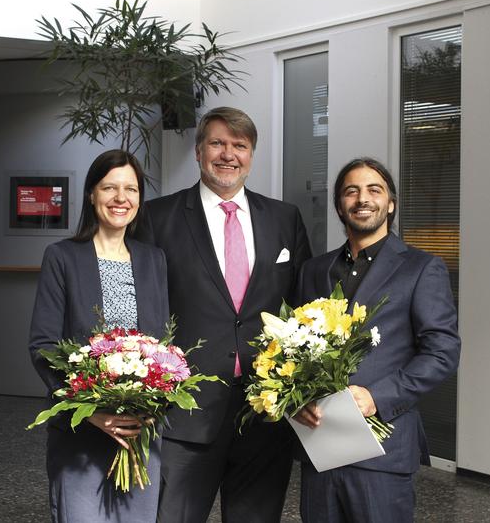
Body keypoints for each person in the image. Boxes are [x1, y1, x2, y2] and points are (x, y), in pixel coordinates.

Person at [135, 107, 312, 523]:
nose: (227, 154)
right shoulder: (157, 218)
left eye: (240, 145)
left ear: (251, 155)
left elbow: (301, 308)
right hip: (184, 413)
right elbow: (143, 309)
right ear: (198, 152)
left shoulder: (285, 219)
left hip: (263, 412)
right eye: (217, 143)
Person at [294, 157, 461, 522]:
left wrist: (376, 397)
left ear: (391, 203)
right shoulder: (313, 270)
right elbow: (296, 347)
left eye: (374, 190)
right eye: (351, 191)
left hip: (383, 451)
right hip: (319, 446)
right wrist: (298, 400)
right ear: (340, 205)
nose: (362, 199)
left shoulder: (421, 268)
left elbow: (443, 352)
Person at [29, 150, 170, 523]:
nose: (120, 198)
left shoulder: (153, 259)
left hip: (141, 434)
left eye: (131, 189)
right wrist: (94, 412)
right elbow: (43, 347)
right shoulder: (62, 257)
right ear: (92, 194)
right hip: (81, 434)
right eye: (109, 187)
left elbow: (161, 346)